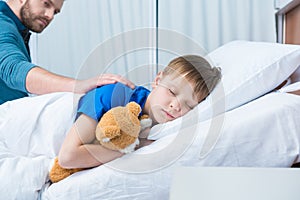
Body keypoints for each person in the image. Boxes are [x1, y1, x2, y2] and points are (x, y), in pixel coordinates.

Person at [57, 55, 222, 170]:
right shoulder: (115, 95)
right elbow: (67, 157)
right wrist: (135, 145)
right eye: (172, 92)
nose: (175, 106)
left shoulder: (158, 129)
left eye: (189, 105)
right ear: (158, 80)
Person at [0, 0, 134, 104]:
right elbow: (13, 69)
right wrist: (78, 86)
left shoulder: (18, 30)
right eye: (46, 3)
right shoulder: (3, 24)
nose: (50, 15)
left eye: (55, 12)